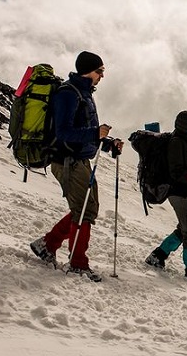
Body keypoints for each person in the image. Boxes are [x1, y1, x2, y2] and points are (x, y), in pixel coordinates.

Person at [30, 51, 123, 282]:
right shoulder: (68, 94)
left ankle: (47, 244)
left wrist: (107, 143)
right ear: (87, 71)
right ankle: (77, 263)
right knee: (84, 211)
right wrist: (94, 132)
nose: (102, 76)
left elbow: (84, 131)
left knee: (85, 209)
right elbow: (63, 132)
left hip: (79, 160)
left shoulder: (84, 93)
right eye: (99, 71)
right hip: (67, 161)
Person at [144, 110, 187, 285]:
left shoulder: (184, 141)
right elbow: (176, 172)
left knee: (185, 228)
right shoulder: (177, 142)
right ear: (186, 126)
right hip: (177, 191)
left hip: (182, 190)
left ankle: (158, 256)